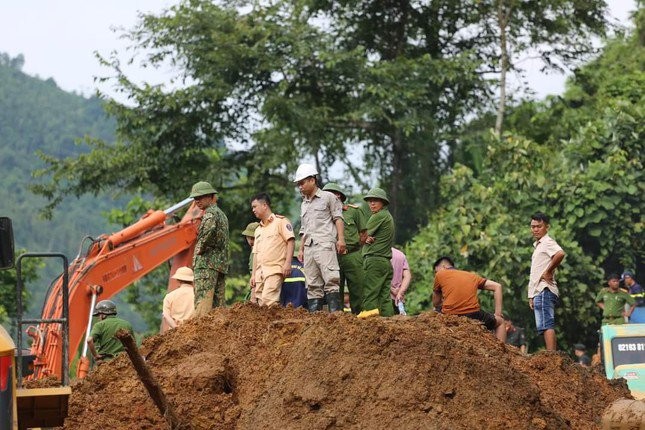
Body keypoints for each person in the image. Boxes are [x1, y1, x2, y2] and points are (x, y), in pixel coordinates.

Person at [294, 163, 346, 312]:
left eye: (302, 183)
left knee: (331, 279)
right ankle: (315, 320)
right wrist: (302, 248)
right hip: (309, 247)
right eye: (298, 184)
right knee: (312, 283)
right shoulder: (304, 203)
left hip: (325, 244)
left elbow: (338, 219)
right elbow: (304, 228)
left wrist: (341, 239)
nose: (300, 187)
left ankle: (335, 316)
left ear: (312, 180)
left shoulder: (328, 197)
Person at [432, 256, 506, 342]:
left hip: (450, 315)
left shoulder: (440, 274)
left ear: (443, 266)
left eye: (435, 271)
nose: (435, 273)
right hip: (474, 316)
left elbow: (436, 302)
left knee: (433, 312)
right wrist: (498, 313)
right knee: (500, 322)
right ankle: (500, 352)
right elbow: (497, 286)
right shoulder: (471, 276)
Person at [323, 182, 367, 314]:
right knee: (335, 289)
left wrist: (353, 246)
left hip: (352, 255)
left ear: (338, 196)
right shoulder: (324, 214)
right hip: (333, 256)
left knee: (357, 288)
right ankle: (338, 319)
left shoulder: (353, 211)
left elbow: (364, 234)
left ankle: (360, 317)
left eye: (330, 194)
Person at [189, 181, 230, 316]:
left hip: (206, 265)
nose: (197, 201)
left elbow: (206, 236)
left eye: (200, 197)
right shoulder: (222, 215)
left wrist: (199, 251)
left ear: (211, 196)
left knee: (203, 304)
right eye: (195, 199)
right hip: (219, 265)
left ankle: (200, 335)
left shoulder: (210, 214)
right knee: (218, 307)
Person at [528, 212, 565, 351]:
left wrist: (549, 271)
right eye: (533, 227)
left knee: (547, 324)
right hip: (539, 290)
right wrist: (531, 295)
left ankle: (551, 357)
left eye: (539, 226)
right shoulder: (538, 245)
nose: (535, 229)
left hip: (544, 289)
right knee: (544, 325)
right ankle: (551, 356)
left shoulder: (547, 242)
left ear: (547, 227)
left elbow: (560, 253)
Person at [251, 192, 295, 307]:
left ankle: (274, 325)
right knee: (260, 305)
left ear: (264, 205)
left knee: (268, 301)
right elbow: (255, 253)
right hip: (260, 273)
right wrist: (253, 275)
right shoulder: (258, 230)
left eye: (255, 206)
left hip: (274, 269)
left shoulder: (281, 222)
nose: (253, 210)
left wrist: (288, 263)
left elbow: (290, 241)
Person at [358, 187, 395, 319]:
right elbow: (366, 236)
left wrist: (363, 238)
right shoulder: (387, 216)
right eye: (370, 201)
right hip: (385, 262)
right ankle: (389, 323)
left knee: (370, 293)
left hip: (375, 261)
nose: (371, 204)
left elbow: (362, 236)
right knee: (384, 297)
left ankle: (369, 324)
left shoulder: (378, 216)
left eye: (375, 201)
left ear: (383, 202)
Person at [162, 266, 195, 332]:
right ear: (192, 280)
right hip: (193, 331)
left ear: (178, 280)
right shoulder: (197, 295)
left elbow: (166, 315)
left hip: (175, 335)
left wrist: (176, 328)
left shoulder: (169, 296)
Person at [242, 221, 260, 301]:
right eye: (248, 237)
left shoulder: (258, 252)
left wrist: (253, 295)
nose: (250, 241)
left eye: (253, 238)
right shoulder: (253, 251)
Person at [390, 247, 412, 315]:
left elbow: (379, 278)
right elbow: (407, 276)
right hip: (398, 300)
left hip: (384, 298)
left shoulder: (378, 254)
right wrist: (400, 293)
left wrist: (392, 289)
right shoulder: (400, 254)